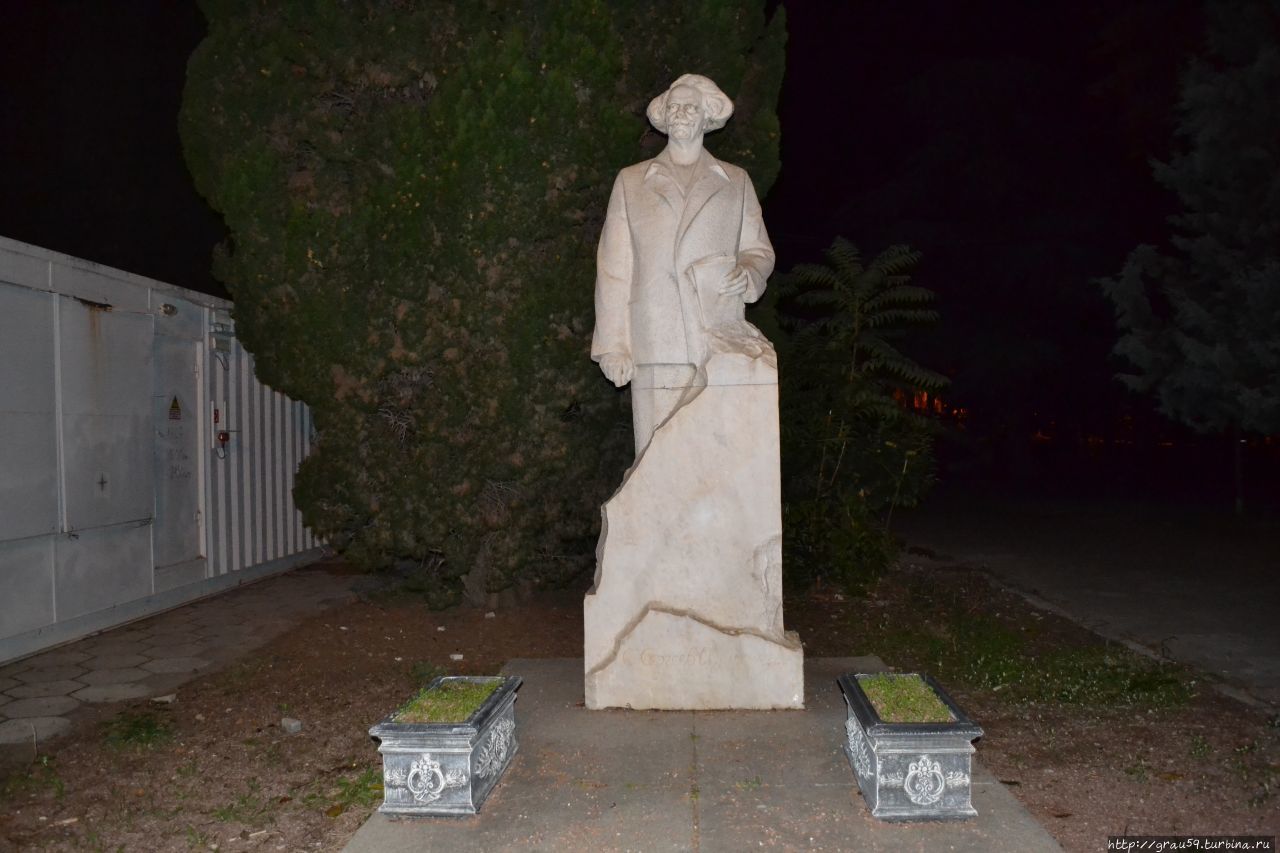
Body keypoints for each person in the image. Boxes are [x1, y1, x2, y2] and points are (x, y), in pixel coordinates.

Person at [591, 74, 775, 455]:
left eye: (690, 107)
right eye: (673, 106)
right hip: (655, 338)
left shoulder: (736, 182)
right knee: (658, 461)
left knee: (715, 462)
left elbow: (759, 251)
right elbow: (613, 268)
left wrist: (749, 273)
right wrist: (613, 345)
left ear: (708, 116)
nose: (680, 114)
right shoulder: (631, 182)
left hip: (717, 337)